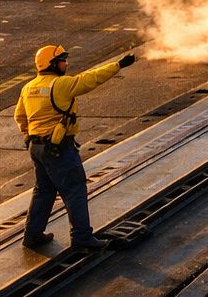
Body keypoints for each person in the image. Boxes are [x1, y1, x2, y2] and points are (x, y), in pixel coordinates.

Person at [14, 44, 135, 250]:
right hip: (59, 148)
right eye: (62, 60)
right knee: (75, 189)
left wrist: (28, 135)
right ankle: (81, 238)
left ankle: (32, 235)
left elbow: (20, 116)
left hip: (37, 147)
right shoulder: (60, 84)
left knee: (43, 190)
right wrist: (118, 65)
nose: (66, 63)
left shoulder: (29, 88)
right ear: (52, 64)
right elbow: (90, 79)